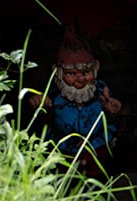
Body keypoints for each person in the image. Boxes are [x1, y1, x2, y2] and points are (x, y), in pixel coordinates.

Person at [29, 26, 122, 178]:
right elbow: (42, 119)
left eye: (86, 72)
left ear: (95, 69)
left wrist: (112, 107)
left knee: (96, 183)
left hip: (95, 149)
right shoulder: (53, 95)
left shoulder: (100, 91)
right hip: (63, 151)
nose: (80, 79)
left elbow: (114, 114)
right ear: (57, 72)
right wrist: (38, 103)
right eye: (71, 74)